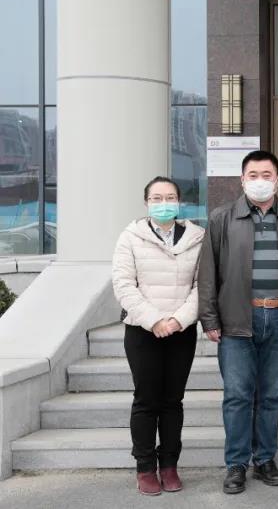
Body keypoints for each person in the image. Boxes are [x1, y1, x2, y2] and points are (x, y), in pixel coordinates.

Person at [198, 150, 278, 495]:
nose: (260, 181)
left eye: (267, 175)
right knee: (237, 396)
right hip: (236, 319)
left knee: (272, 394)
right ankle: (236, 464)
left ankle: (265, 459)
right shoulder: (222, 218)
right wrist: (209, 318)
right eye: (253, 175)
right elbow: (207, 273)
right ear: (242, 180)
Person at [111, 176, 204, 496]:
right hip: (142, 331)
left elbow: (202, 285)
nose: (164, 204)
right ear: (146, 203)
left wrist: (178, 320)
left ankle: (169, 465)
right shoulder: (130, 237)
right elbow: (124, 285)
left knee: (173, 401)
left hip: (181, 330)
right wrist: (154, 321)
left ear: (180, 202)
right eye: (157, 198)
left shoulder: (196, 237)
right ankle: (145, 468)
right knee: (147, 400)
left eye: (170, 197)